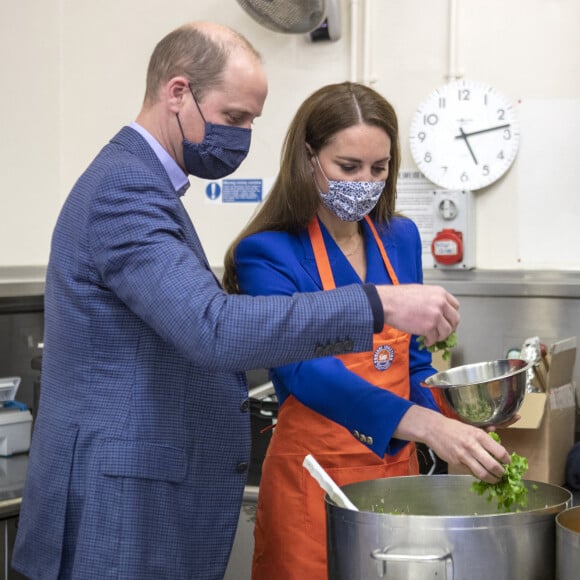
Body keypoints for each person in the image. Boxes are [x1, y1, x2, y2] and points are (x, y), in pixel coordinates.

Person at [11, 22, 463, 580]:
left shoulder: (145, 186)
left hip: (153, 489)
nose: (243, 136)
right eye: (234, 118)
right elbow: (213, 328)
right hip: (120, 498)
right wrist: (376, 304)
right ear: (178, 93)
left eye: (252, 120)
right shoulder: (125, 189)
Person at [222, 81, 512, 579]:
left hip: (395, 478)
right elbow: (305, 375)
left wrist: (462, 418)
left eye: (379, 168)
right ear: (308, 158)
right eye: (348, 167)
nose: (366, 181)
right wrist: (428, 426)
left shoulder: (399, 238)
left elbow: (412, 364)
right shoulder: (268, 253)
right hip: (312, 483)